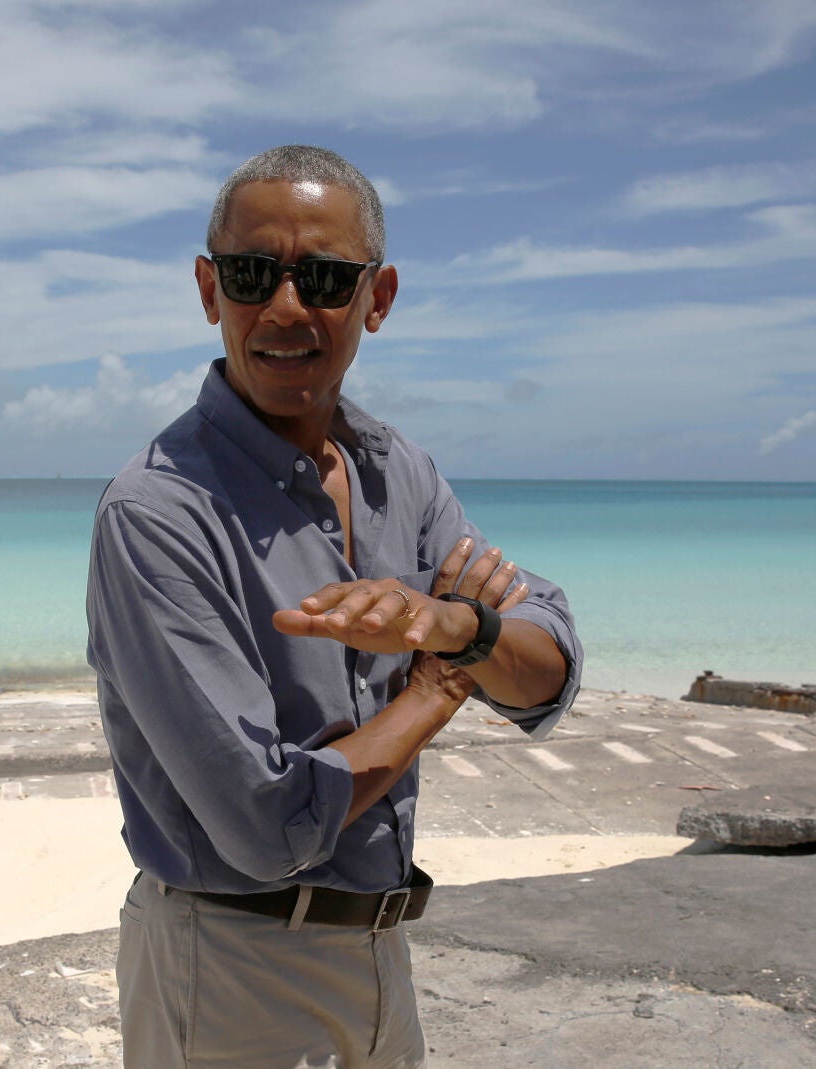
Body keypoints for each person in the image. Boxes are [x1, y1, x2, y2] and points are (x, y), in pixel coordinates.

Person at [86, 144, 584, 1068]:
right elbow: (262, 823)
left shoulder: (399, 472)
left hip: (380, 950)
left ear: (377, 299)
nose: (283, 307)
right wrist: (439, 689)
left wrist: (464, 630)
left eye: (320, 277)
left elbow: (548, 665)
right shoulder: (157, 511)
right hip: (235, 971)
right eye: (250, 274)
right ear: (208, 289)